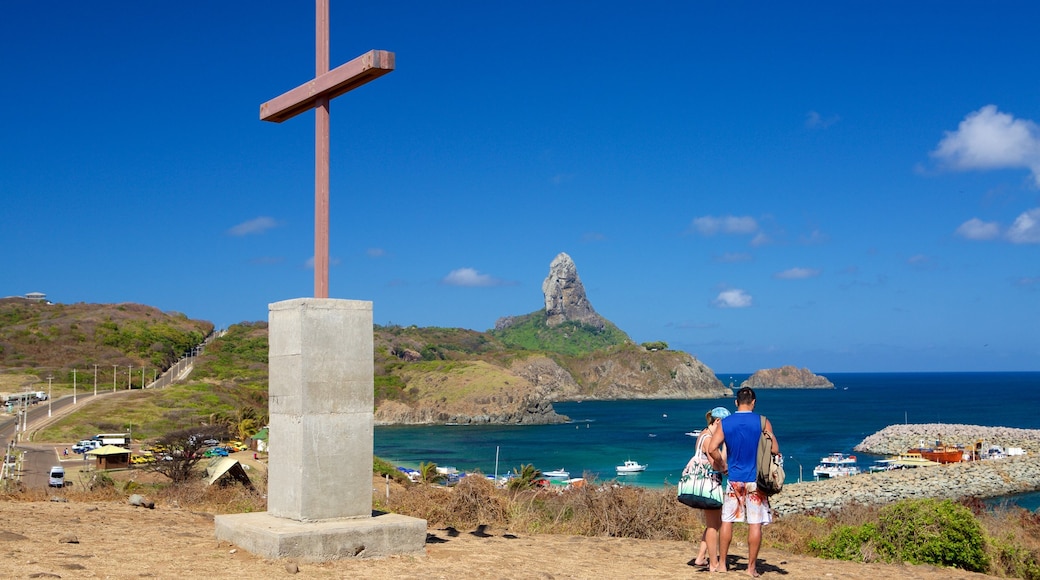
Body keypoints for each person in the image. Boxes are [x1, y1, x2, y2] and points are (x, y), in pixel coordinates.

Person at [706, 387, 779, 578]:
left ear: (736, 402)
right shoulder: (762, 422)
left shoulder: (726, 423)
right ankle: (751, 568)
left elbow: (713, 448)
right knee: (755, 524)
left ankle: (722, 564)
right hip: (756, 480)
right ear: (753, 402)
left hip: (734, 480)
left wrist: (722, 465)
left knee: (727, 520)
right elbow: (775, 449)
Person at [693, 406, 729, 572]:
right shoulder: (708, 439)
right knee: (714, 525)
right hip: (709, 485)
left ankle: (701, 556)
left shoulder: (703, 434)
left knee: (713, 523)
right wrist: (726, 447)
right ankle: (713, 562)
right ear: (718, 421)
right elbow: (716, 463)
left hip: (703, 484)